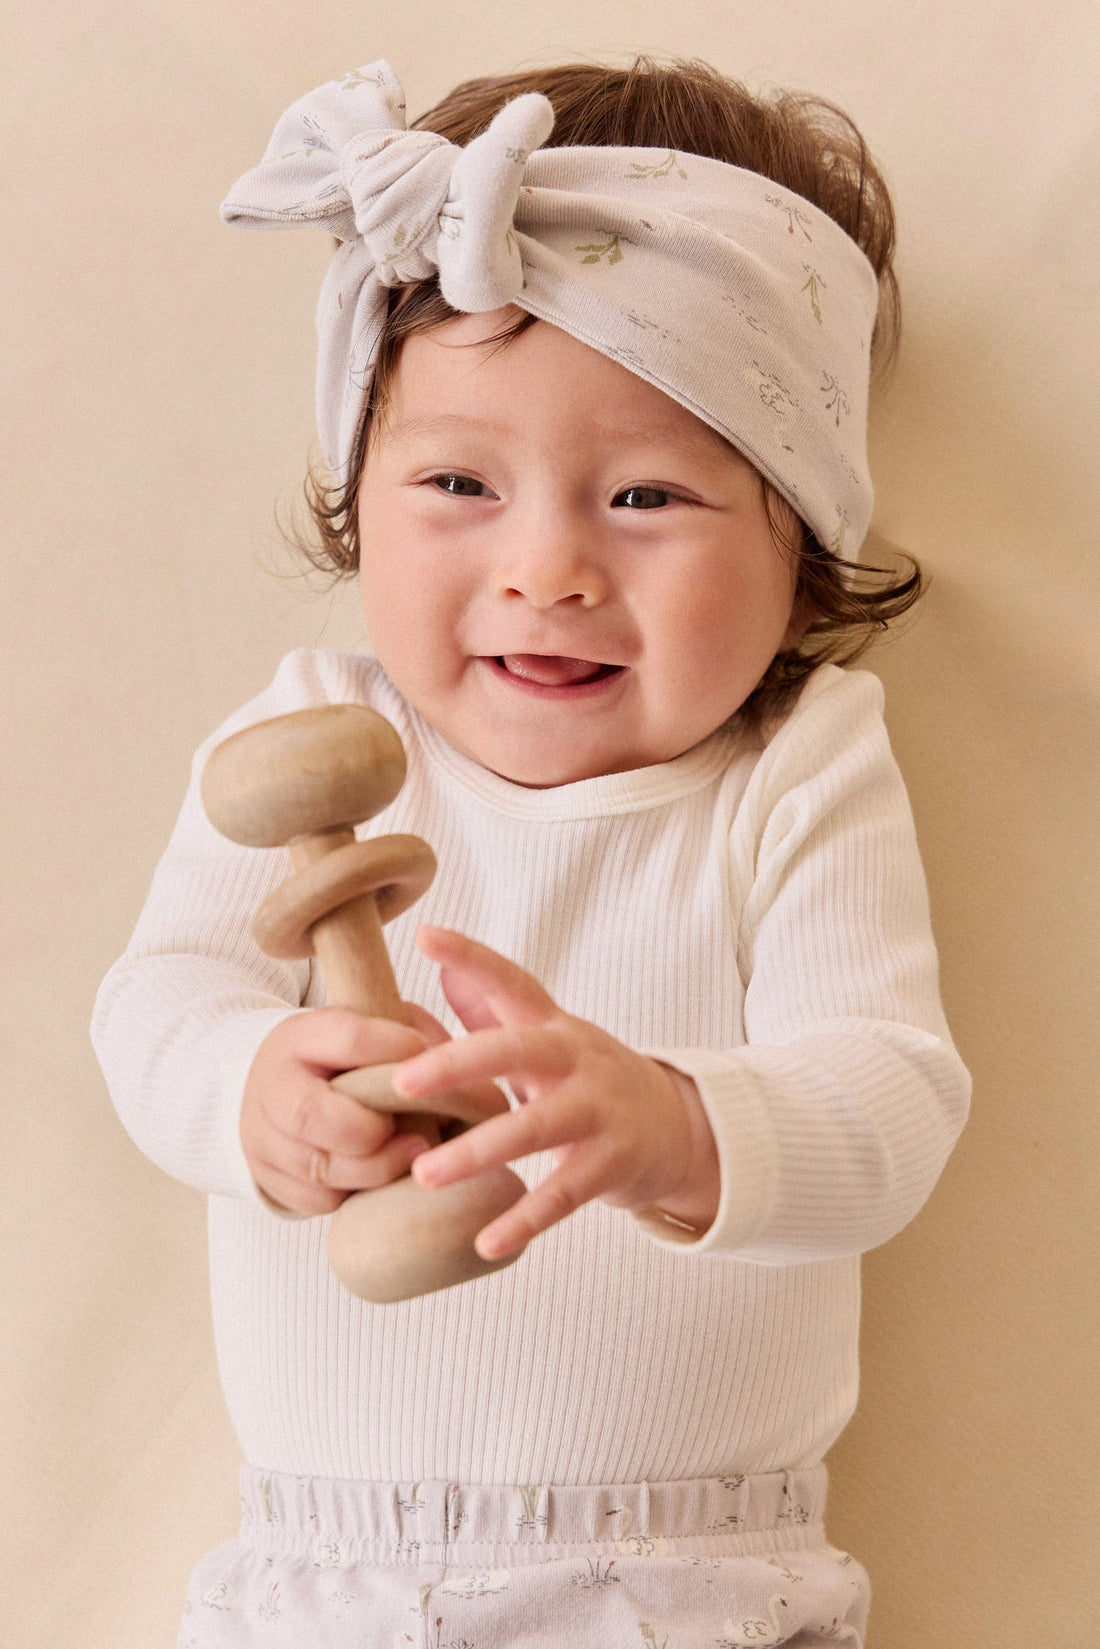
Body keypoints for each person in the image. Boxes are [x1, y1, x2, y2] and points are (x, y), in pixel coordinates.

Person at [92, 53, 971, 1648]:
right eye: (457, 483)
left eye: (646, 494)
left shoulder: (794, 768)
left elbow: (893, 1098)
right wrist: (251, 1090)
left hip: (697, 1583)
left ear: (802, 535)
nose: (547, 568)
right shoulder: (310, 740)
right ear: (360, 494)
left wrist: (678, 1123)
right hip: (331, 1578)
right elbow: (154, 1002)